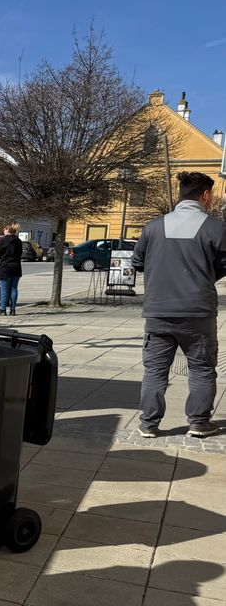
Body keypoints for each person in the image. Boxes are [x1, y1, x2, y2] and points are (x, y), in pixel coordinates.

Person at [132, 171, 226, 439]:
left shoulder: (153, 227)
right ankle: (198, 422)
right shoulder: (215, 228)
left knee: (155, 371)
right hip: (198, 313)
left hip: (158, 310)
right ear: (205, 196)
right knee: (202, 369)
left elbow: (138, 263)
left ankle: (148, 424)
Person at [0, 222, 23, 316]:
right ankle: (13, 310)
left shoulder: (3, 240)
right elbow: (20, 253)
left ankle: (3, 310)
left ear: (8, 230)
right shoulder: (18, 241)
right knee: (14, 288)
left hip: (5, 266)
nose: (3, 230)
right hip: (16, 266)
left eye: (4, 229)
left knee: (4, 289)